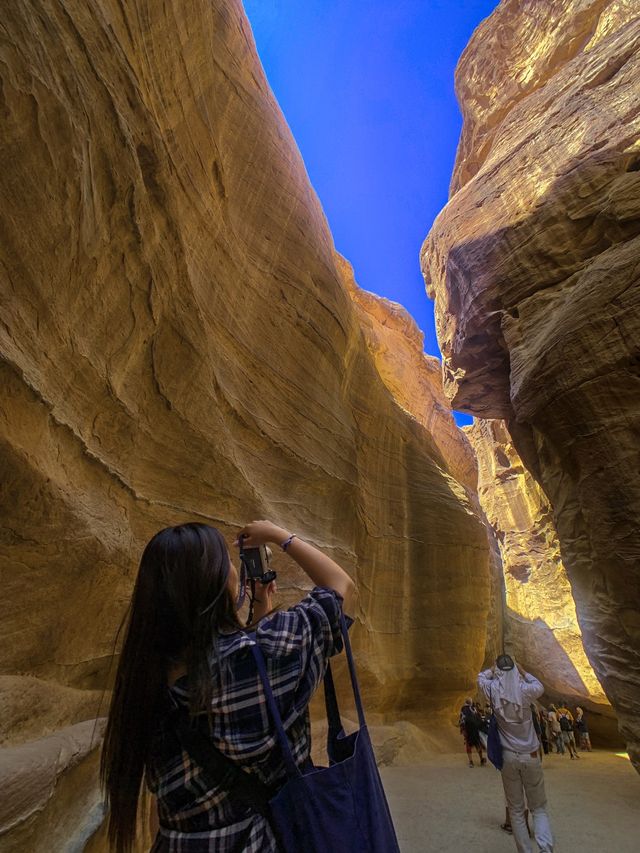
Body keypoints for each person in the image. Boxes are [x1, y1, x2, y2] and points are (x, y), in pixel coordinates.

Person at [101, 520, 355, 853]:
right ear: (216, 581)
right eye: (227, 563)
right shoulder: (266, 653)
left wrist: (257, 612)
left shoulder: (141, 677)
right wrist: (280, 536)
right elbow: (339, 586)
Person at [478, 655, 554, 853]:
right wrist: (522, 671)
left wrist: (491, 669)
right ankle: (545, 850)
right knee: (538, 808)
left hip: (509, 757)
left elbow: (480, 678)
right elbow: (539, 686)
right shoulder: (525, 691)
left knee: (516, 811)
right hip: (531, 755)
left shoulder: (493, 691)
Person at [459, 698, 487, 767]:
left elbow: (462, 719)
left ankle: (471, 762)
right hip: (475, 729)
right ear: (471, 703)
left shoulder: (463, 709)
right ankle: (481, 759)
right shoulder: (473, 709)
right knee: (477, 744)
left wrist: (462, 729)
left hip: (468, 729)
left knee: (468, 745)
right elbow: (478, 718)